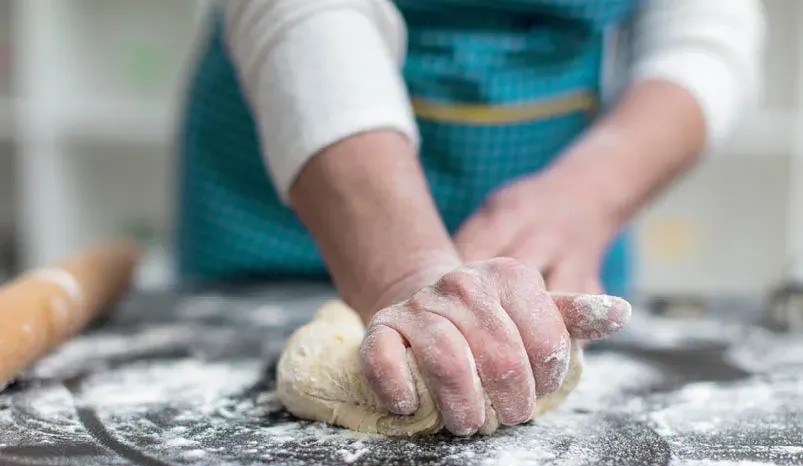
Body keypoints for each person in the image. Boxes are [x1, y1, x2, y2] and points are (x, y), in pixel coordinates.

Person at [177, 0, 765, 435]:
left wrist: (589, 194)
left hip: (549, 208)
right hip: (300, 165)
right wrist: (402, 268)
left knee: (528, 343)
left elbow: (707, 27)